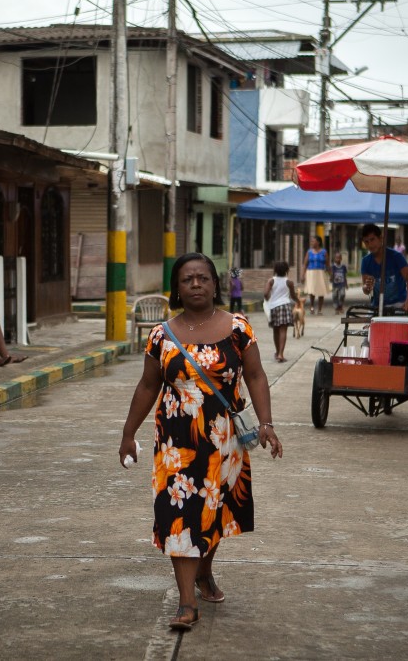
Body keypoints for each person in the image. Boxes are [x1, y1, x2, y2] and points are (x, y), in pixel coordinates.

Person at [119, 252, 282, 633]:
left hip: (226, 440)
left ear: (214, 284)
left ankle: (205, 572)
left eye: (203, 278)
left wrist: (267, 423)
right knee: (180, 517)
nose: (196, 284)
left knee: (217, 512)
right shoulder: (161, 335)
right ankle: (187, 602)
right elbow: (147, 386)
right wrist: (128, 434)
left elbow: (256, 376)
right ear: (176, 287)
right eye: (188, 278)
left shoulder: (239, 328)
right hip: (176, 442)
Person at [360, 223, 408, 313]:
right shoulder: (365, 261)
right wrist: (367, 287)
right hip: (377, 306)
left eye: (372, 239)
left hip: (399, 303)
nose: (370, 244)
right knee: (368, 327)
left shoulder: (396, 256)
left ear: (381, 238)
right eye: (366, 241)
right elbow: (365, 290)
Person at [264, 260, 299, 363]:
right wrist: (298, 301)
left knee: (276, 330)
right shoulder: (289, 282)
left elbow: (265, 293)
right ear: (287, 270)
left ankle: (277, 352)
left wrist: (268, 299)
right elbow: (293, 296)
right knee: (283, 331)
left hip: (274, 307)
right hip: (285, 307)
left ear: (275, 270)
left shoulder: (271, 281)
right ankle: (281, 354)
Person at [301, 236, 329, 315]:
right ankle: (312, 306)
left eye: (313, 241)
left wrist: (331, 274)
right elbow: (305, 264)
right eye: (311, 241)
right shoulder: (309, 252)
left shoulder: (324, 252)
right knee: (312, 290)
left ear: (318, 242)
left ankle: (320, 309)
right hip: (311, 273)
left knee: (321, 291)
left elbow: (328, 264)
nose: (312, 243)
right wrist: (302, 275)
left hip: (321, 273)